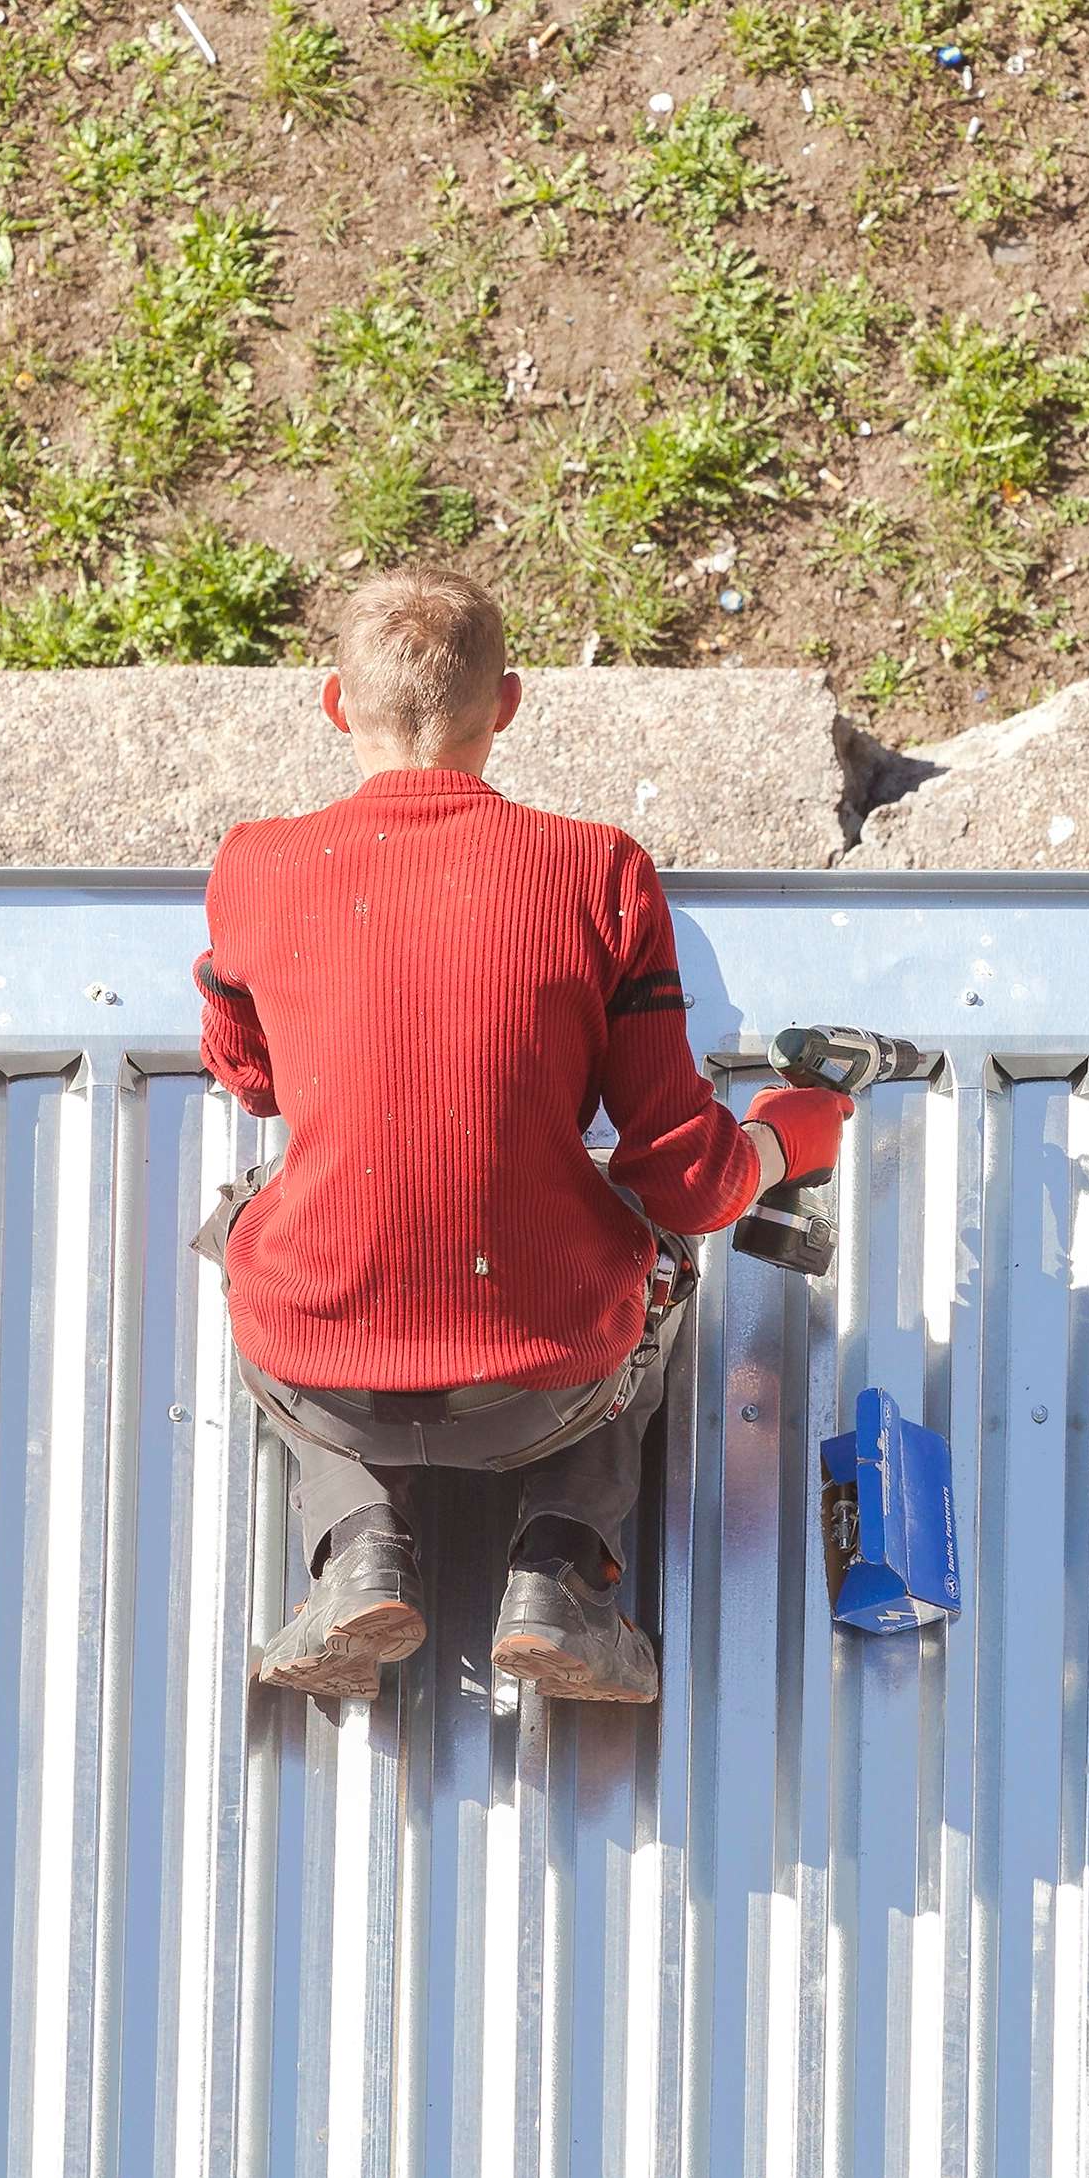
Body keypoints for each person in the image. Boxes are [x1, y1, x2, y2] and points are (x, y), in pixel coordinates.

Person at [191, 569, 851, 1704]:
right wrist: (791, 1138)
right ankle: (563, 1575)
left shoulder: (252, 865)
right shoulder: (598, 871)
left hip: (324, 1372)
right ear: (507, 702)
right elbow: (685, 1176)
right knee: (656, 1255)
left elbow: (247, 1081)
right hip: (545, 1386)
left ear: (336, 704)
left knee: (243, 1220)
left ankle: (356, 1542)